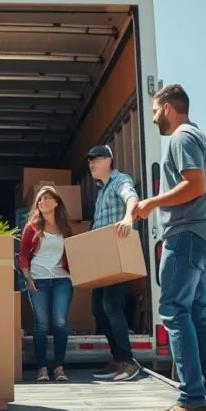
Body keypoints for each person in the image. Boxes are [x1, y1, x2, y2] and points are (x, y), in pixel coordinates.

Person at [133, 83, 206, 411]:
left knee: (174, 311)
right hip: (204, 235)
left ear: (168, 108)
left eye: (156, 110)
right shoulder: (199, 137)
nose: (155, 117)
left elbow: (195, 185)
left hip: (187, 234)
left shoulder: (182, 138)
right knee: (198, 315)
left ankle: (191, 399)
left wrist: (150, 203)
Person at [86, 144, 142, 382]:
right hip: (102, 258)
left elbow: (131, 196)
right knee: (97, 309)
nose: (91, 164)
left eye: (95, 159)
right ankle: (118, 358)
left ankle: (129, 362)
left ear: (109, 159)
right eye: (89, 161)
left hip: (118, 255)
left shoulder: (120, 180)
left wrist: (129, 217)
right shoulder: (100, 191)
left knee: (111, 305)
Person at [17, 186, 74, 382]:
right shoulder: (32, 227)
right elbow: (22, 255)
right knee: (41, 324)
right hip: (38, 279)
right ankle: (41, 368)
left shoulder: (65, 227)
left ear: (56, 203)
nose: (43, 202)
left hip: (62, 280)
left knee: (60, 322)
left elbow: (75, 252)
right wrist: (28, 277)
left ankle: (58, 367)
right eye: (40, 200)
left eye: (47, 198)